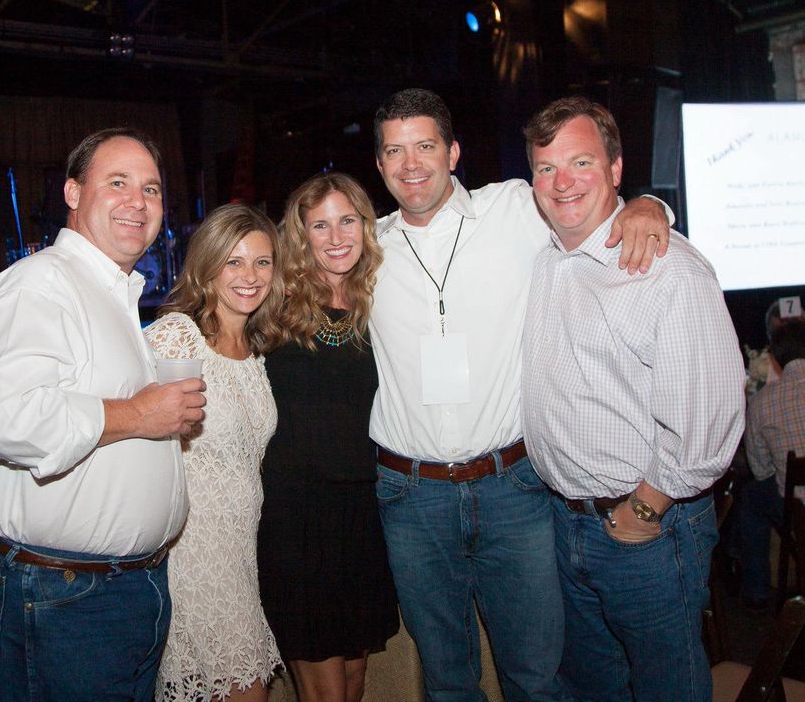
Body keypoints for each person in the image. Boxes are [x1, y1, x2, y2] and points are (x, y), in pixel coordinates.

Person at [368, 88, 673, 702]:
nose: (410, 164)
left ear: (453, 152)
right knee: (448, 682)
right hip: (411, 495)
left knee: (536, 677)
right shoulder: (364, 247)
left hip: (514, 489)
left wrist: (649, 204)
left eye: (425, 146)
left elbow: (588, 202)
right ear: (379, 166)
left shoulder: (515, 208)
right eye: (394, 151)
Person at [0, 128, 206, 702]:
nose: (138, 202)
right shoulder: (40, 284)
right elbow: (8, 418)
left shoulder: (112, 293)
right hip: (62, 596)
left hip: (122, 589)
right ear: (73, 193)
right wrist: (140, 414)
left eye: (150, 189)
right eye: (117, 183)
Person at [520, 96, 745, 701]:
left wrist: (642, 512)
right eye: (545, 169)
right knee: (597, 689)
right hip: (564, 525)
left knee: (666, 686)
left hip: (645, 529)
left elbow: (709, 424)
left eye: (581, 163)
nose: (562, 183)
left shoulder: (667, 270)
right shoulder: (545, 259)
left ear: (617, 169)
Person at [257, 172, 399, 702]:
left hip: (363, 513)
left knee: (356, 681)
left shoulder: (379, 298)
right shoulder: (271, 299)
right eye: (320, 224)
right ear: (301, 234)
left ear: (366, 226)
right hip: (295, 518)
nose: (336, 236)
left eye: (347, 221)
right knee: (327, 693)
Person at [146, 203, 285, 702]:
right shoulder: (177, 336)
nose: (250, 276)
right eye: (234, 262)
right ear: (206, 266)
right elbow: (132, 429)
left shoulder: (257, 348)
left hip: (241, 553)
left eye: (263, 262)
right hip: (191, 554)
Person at [739, 318, 805, 608]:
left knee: (751, 497)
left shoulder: (764, 401)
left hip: (798, 511)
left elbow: (761, 468)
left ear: (776, 358)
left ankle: (757, 592)